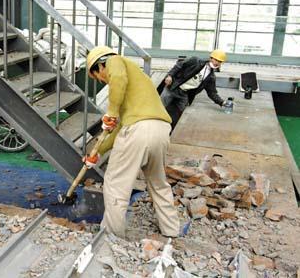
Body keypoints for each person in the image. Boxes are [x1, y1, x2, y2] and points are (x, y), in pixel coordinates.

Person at [84, 46, 179, 239]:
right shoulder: (138, 79)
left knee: (116, 184)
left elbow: (116, 78)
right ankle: (171, 230)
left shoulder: (115, 61)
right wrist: (98, 152)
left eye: (98, 77)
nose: (103, 80)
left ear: (100, 66)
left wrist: (110, 111)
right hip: (161, 130)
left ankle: (110, 235)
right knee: (158, 183)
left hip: (138, 131)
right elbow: (119, 127)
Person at [161, 50, 228, 126]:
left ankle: (171, 129)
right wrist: (170, 75)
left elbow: (212, 93)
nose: (217, 63)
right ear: (211, 58)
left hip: (184, 94)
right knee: (160, 107)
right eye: (216, 60)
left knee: (180, 115)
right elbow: (179, 65)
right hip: (174, 88)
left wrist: (222, 102)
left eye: (220, 61)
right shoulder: (195, 61)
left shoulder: (211, 77)